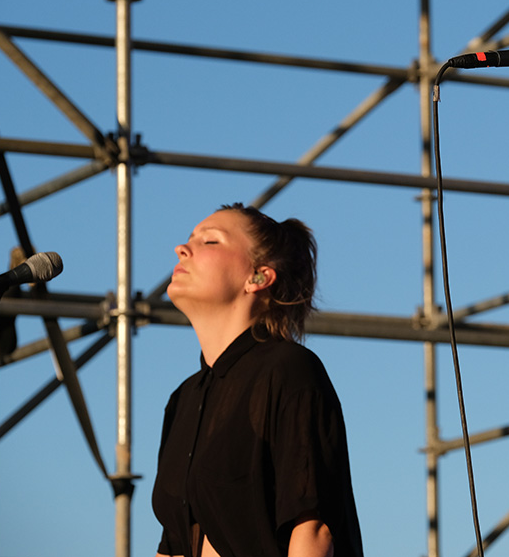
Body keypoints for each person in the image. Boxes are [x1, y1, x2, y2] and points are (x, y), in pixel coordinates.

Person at [152, 203, 363, 557]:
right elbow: (172, 543)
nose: (182, 248)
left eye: (210, 241)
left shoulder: (290, 370)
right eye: (190, 238)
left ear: (259, 277)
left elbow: (313, 531)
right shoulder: (183, 399)